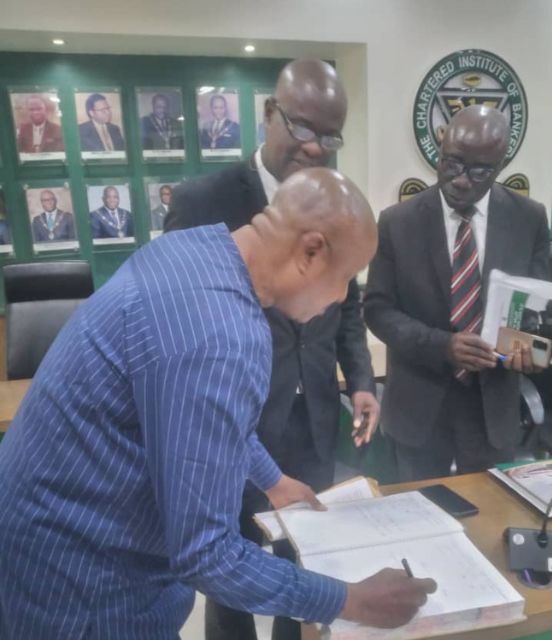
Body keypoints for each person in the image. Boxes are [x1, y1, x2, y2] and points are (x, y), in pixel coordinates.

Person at [0, 167, 437, 639]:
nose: (340, 297)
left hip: (40, 540)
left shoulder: (194, 249)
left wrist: (272, 479)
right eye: (347, 278)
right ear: (311, 251)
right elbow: (206, 554)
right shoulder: (222, 336)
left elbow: (194, 416)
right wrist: (352, 602)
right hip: (86, 589)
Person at [165, 58, 380, 640]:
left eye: (330, 136)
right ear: (269, 115)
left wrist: (359, 379)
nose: (315, 148)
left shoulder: (336, 203)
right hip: (234, 421)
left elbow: (347, 308)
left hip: (310, 418)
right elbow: (185, 341)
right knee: (227, 564)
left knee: (300, 557)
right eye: (303, 128)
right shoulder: (200, 203)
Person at [364, 105, 551, 482]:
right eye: (451, 163)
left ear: (501, 165)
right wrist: (441, 346)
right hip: (419, 404)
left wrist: (534, 348)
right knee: (416, 517)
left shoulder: (529, 218)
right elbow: (377, 309)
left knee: (490, 517)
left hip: (492, 407)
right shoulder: (397, 222)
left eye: (479, 170)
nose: (461, 180)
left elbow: (539, 308)